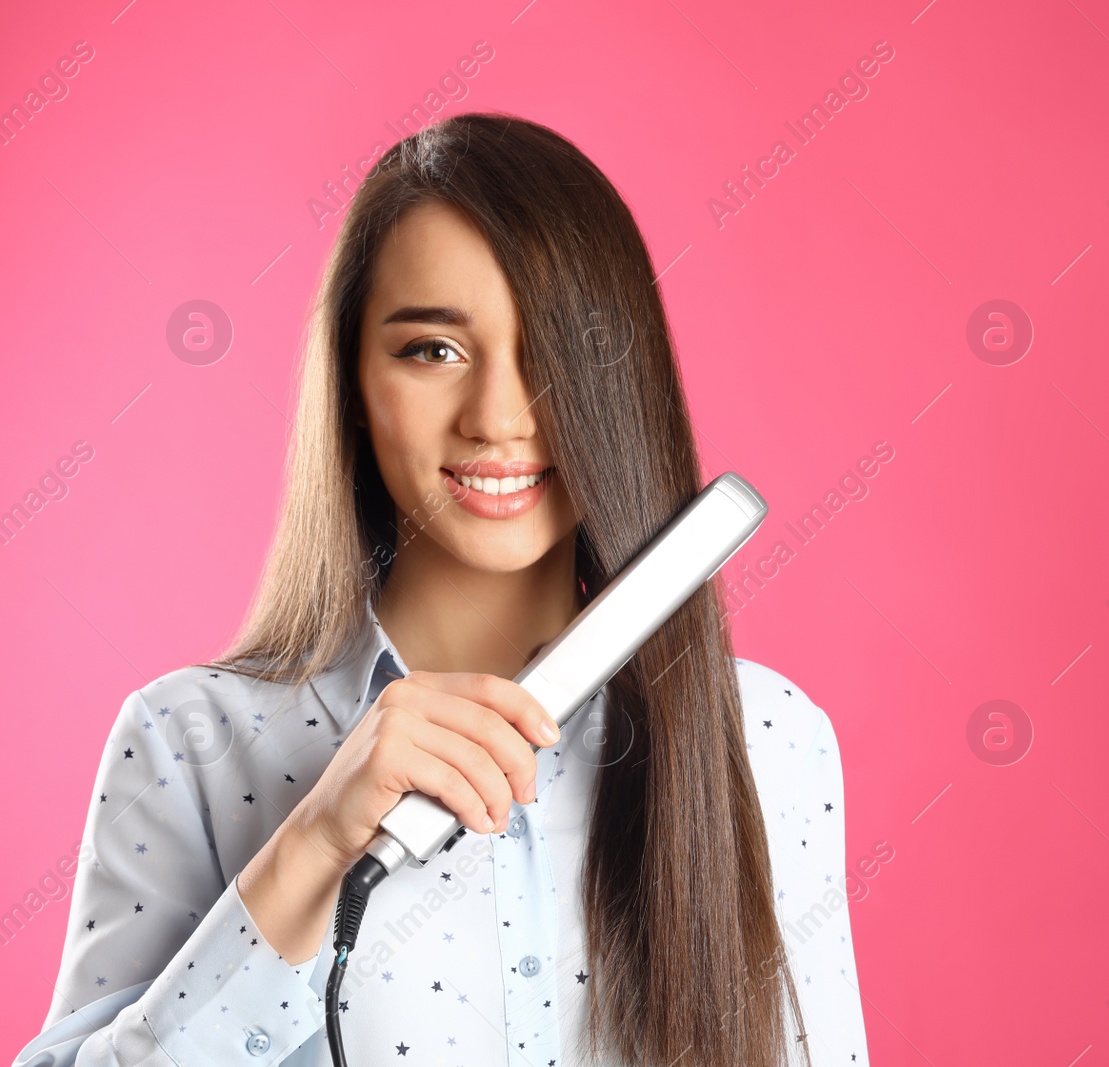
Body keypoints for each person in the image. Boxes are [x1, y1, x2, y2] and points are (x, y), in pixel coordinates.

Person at [11, 113, 869, 1067]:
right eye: (432, 350)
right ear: (353, 382)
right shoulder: (189, 742)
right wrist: (313, 844)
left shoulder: (767, 739)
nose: (499, 416)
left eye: (555, 350)